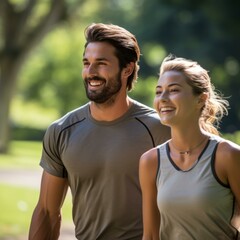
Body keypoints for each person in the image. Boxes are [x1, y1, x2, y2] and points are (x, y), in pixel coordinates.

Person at [28, 23, 170, 240]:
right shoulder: (61, 131)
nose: (91, 72)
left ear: (127, 69)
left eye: (101, 63)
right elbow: (47, 212)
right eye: (87, 63)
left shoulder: (160, 129)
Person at [139, 55, 240, 240]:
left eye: (174, 90)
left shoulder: (228, 156)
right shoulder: (150, 161)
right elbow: (151, 236)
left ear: (201, 99)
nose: (163, 98)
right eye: (159, 92)